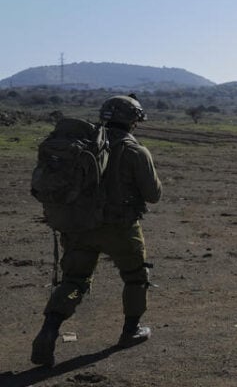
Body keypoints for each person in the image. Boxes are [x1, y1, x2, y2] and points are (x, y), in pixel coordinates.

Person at [31, 94, 162, 367]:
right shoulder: (136, 151)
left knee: (74, 282)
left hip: (78, 226)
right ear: (134, 121)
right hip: (120, 228)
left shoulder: (84, 146)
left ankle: (49, 329)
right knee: (136, 277)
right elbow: (153, 195)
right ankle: (131, 330)